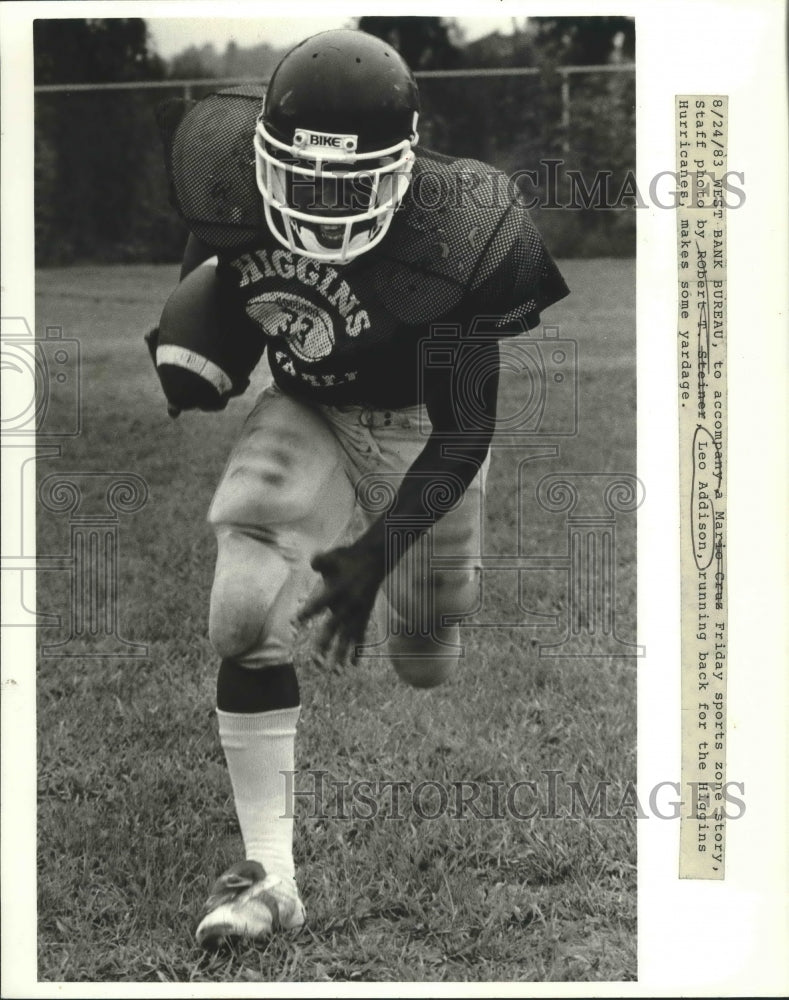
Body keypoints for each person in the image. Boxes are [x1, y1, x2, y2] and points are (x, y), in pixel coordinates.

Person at [149, 27, 569, 949]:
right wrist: (198, 351)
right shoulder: (226, 186)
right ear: (261, 157)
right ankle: (269, 878)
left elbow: (466, 429)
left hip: (425, 433)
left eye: (352, 181)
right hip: (310, 410)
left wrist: (375, 557)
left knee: (427, 651)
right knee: (244, 613)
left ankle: (421, 604)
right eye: (303, 176)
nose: (324, 202)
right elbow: (222, 283)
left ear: (406, 163)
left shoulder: (465, 228)